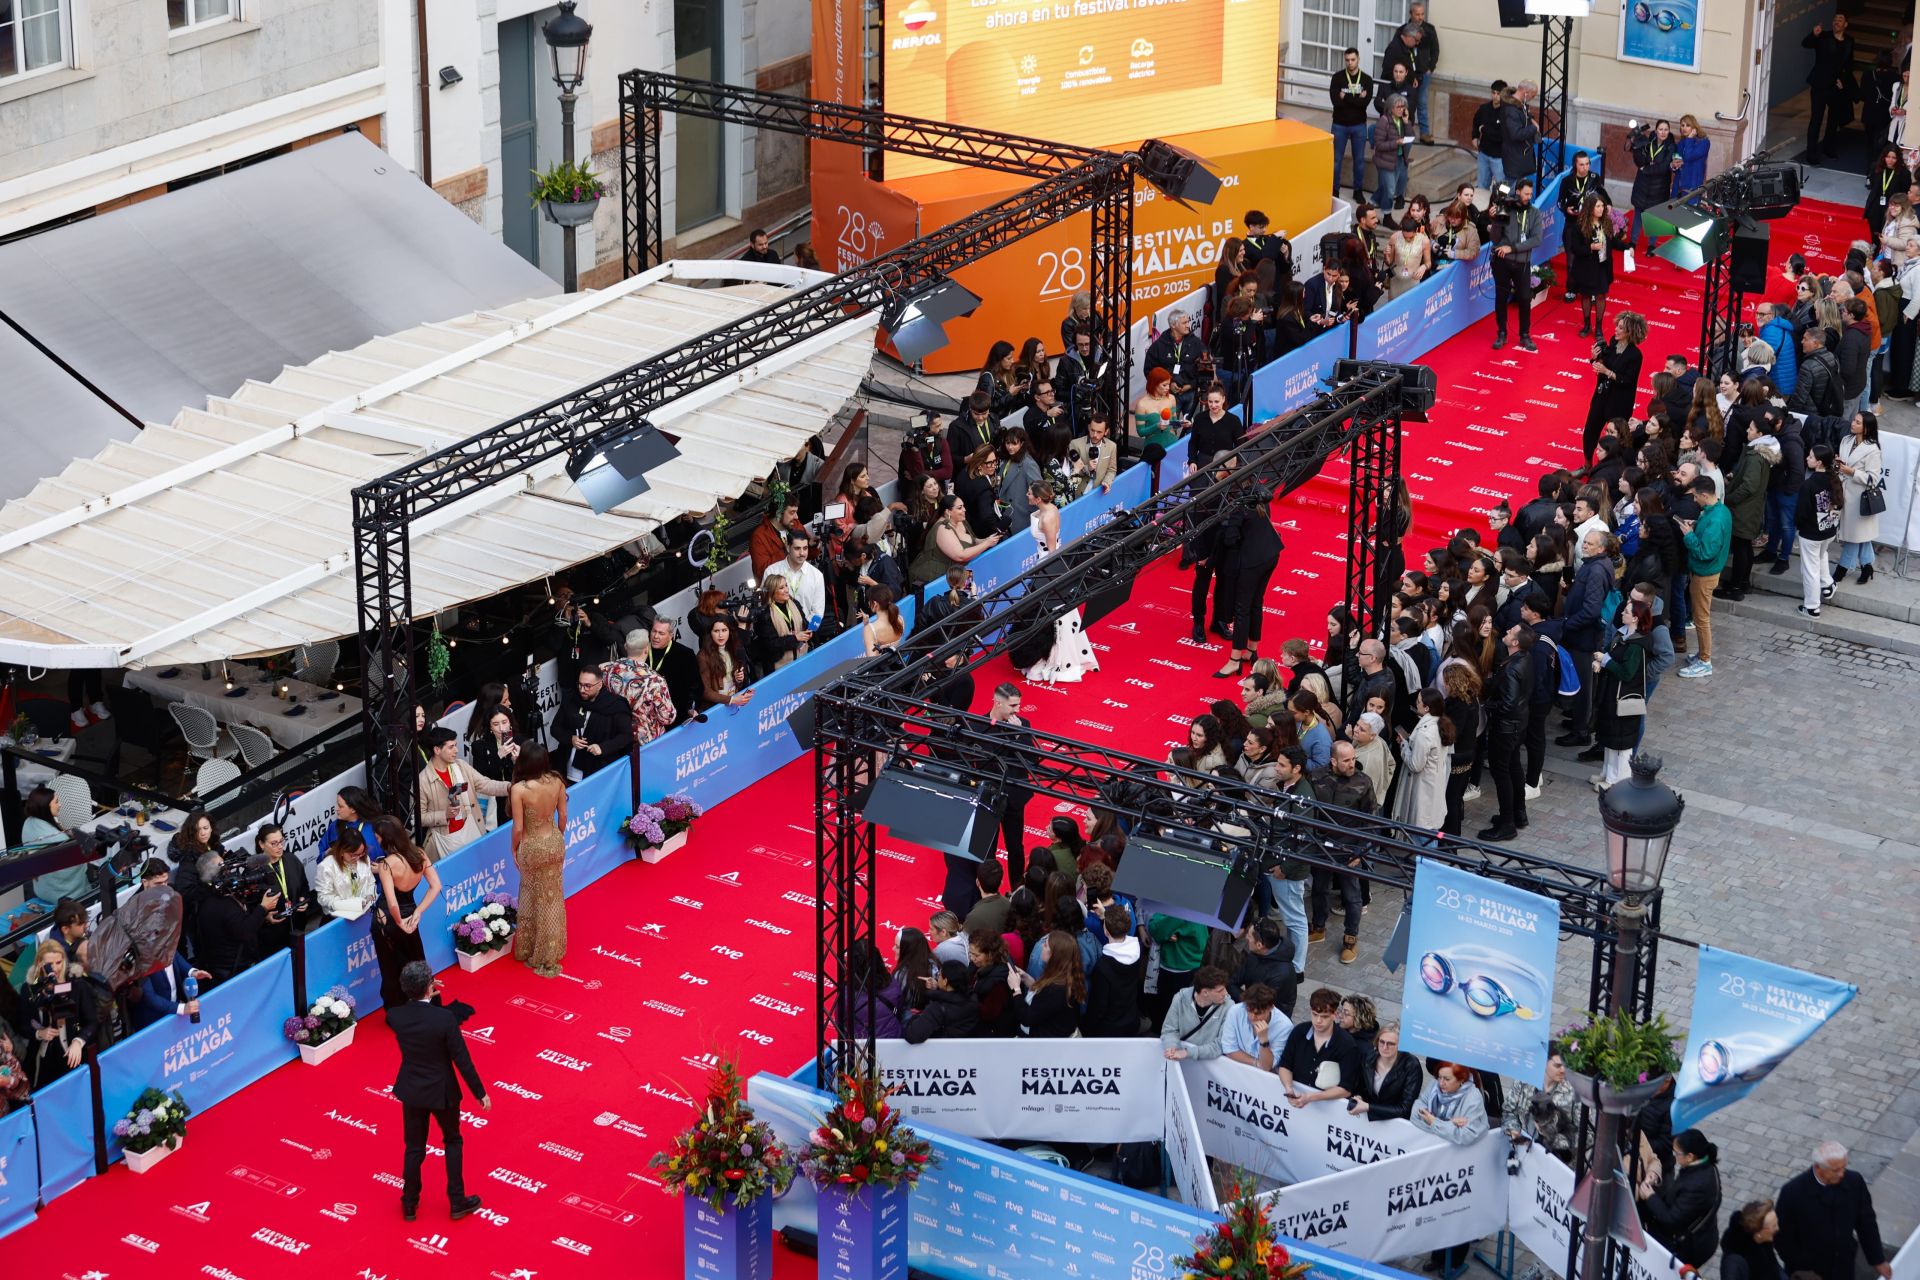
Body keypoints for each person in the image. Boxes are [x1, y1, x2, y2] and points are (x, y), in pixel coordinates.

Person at [389, 961, 488, 1222]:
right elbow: (461, 1059)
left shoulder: (395, 1017)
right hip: (442, 1093)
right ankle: (457, 1201)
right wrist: (480, 1093)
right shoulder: (444, 1018)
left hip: (412, 1090)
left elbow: (419, 1019)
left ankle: (409, 1203)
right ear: (429, 986)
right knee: (453, 1141)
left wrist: (423, 997)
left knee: (414, 1148)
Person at [1412, 1063, 1491, 1272]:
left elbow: (1466, 1136)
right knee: (1436, 1209)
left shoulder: (1473, 1098)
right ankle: (1437, 1256)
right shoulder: (1434, 1087)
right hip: (1436, 1162)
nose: (1441, 1083)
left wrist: (1434, 1122)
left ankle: (1456, 1260)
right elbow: (1414, 1113)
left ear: (1462, 1080)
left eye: (1447, 1079)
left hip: (1462, 1164)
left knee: (1457, 1211)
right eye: (1440, 1077)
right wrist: (1446, 1124)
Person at [1775, 1140, 1891, 1280]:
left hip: (1843, 1265)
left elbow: (1866, 1222)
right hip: (1809, 1272)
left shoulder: (1854, 1181)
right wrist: (1802, 1266)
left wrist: (1877, 1259)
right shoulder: (1793, 1192)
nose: (1842, 1174)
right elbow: (1782, 1238)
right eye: (1836, 1170)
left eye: (1844, 1167)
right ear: (1818, 1168)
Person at [502, 740, 568, 979]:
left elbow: (518, 828)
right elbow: (563, 815)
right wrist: (558, 837)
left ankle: (533, 950)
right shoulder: (558, 781)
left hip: (531, 848)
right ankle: (545, 949)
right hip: (554, 842)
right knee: (551, 897)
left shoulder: (519, 789)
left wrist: (513, 848)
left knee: (529, 892)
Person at [371, 818, 441, 1010]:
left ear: (386, 838)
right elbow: (436, 886)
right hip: (411, 914)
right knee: (416, 960)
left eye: (377, 837)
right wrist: (418, 912)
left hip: (388, 921)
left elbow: (392, 902)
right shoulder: (419, 854)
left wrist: (399, 922)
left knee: (390, 968)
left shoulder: (387, 864)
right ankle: (426, 1003)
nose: (377, 841)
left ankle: (397, 1011)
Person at [416, 727, 508, 861]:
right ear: (437, 750)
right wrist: (444, 815)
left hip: (471, 832)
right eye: (451, 747)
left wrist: (510, 787)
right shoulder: (423, 780)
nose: (456, 750)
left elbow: (485, 784)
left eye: (456, 745)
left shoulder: (461, 766)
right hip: (445, 843)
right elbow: (418, 817)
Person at [1478, 624, 1534, 841]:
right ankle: (1518, 813)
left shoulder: (1512, 668)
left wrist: (1487, 705)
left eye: (1511, 632)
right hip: (1519, 723)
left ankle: (1507, 822)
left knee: (1501, 772)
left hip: (1507, 726)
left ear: (1515, 643)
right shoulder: (1524, 659)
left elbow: (1508, 703)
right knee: (1513, 766)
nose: (1507, 631)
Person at [1640, 1129, 1724, 1267]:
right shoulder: (1705, 1166)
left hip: (1689, 1247)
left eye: (1677, 1153)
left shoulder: (1697, 1186)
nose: (1675, 1156)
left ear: (1690, 1156)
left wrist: (1650, 1197)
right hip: (1699, 1237)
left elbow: (1672, 1219)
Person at [1591, 599, 1653, 788]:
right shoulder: (1622, 634)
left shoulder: (1636, 645)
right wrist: (1602, 662)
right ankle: (1607, 773)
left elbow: (1627, 673)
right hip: (1612, 694)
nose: (1621, 614)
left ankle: (1617, 780)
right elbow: (1610, 653)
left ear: (1635, 618)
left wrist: (1606, 661)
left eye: (1626, 612)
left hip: (1624, 698)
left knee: (1621, 742)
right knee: (1609, 736)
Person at [1676, 476, 1730, 678]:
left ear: (1705, 495)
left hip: (1704, 574)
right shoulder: (1719, 511)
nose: (1694, 500)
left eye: (1696, 496)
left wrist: (1689, 535)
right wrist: (1696, 524)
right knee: (1701, 617)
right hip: (1707, 571)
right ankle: (1702, 654)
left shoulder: (1715, 520)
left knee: (1701, 618)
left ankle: (1705, 661)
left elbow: (1705, 552)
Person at [23, 940, 96, 1088]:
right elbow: (22, 1024)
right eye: (50, 964)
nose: (54, 969)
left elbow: (92, 1021)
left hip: (71, 1053)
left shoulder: (77, 984)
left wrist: (78, 1041)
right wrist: (39, 1033)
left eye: (59, 962)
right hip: (43, 1057)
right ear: (39, 962)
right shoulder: (30, 988)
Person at [1277, 986, 1362, 1104]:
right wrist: (1288, 1088)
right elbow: (1285, 1065)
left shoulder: (1347, 1045)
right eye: (1315, 1014)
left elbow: (1346, 1089)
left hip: (1327, 1107)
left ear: (1335, 1015)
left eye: (1324, 1016)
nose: (1318, 1021)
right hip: (1298, 1099)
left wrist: (1311, 1098)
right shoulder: (1299, 1031)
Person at [551, 665, 634, 781]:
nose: (582, 689)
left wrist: (602, 748)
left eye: (587, 686)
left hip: (597, 769)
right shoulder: (571, 699)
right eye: (579, 684)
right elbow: (555, 728)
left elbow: (626, 736)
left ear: (599, 685)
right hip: (566, 767)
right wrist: (570, 739)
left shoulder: (615, 705)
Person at [599, 629, 678, 745]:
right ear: (647, 649)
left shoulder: (606, 669)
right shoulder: (654, 681)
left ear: (626, 646)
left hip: (613, 737)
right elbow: (667, 717)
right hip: (644, 742)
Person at [1491, 175, 1542, 352]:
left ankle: (1525, 335)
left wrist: (1512, 248)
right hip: (1502, 263)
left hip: (1522, 263)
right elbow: (1495, 238)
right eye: (1526, 193)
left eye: (1531, 193)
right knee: (1501, 297)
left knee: (1525, 298)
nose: (1529, 196)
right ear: (1517, 192)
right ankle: (1502, 333)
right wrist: (1497, 218)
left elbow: (1536, 239)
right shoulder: (1507, 209)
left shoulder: (1534, 213)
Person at [1568, 194, 1629, 341]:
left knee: (1601, 296)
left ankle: (1599, 328)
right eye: (1598, 206)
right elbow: (1574, 248)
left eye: (1602, 206)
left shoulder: (1606, 223)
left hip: (1603, 266)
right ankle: (1587, 325)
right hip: (1586, 267)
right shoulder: (1579, 226)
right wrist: (1590, 247)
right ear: (1590, 208)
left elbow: (1613, 242)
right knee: (1587, 296)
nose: (1601, 209)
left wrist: (1628, 248)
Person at [1834, 410, 1884, 584]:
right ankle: (1867, 567)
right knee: (1859, 535)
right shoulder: (1846, 440)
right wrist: (1840, 464)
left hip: (1859, 499)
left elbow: (1873, 479)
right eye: (1854, 420)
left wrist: (1852, 472)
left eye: (1857, 422)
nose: (1852, 423)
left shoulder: (1873, 450)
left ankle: (1841, 569)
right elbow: (1844, 466)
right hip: (1843, 495)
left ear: (1866, 428)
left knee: (1854, 537)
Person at [1504, 1046, 1576, 1161]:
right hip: (1524, 1155)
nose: (1563, 1070)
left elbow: (1587, 1135)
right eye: (1557, 1065)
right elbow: (1508, 1111)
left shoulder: (1574, 1092)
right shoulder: (1523, 1081)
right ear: (1543, 1061)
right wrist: (1514, 1129)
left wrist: (1551, 1139)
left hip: (1555, 1162)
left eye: (1565, 1065)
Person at [1796, 445, 1845, 617]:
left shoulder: (1808, 484)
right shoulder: (1834, 479)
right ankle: (1828, 584)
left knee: (1810, 569)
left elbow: (1801, 513)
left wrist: (1799, 526)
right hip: (1828, 531)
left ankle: (1812, 606)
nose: (1806, 459)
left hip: (1811, 534)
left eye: (1810, 457)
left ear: (1818, 463)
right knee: (1821, 556)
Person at [250, 824, 312, 955]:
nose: (280, 847)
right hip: (272, 938)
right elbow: (249, 908)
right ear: (261, 844)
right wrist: (265, 917)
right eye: (274, 843)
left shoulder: (291, 859)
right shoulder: (253, 871)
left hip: (297, 927)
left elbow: (304, 886)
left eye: (281, 841)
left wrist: (304, 899)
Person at [1803, 15, 1857, 163]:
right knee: (1816, 119)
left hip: (1837, 86)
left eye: (1840, 20)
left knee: (1833, 120)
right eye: (1834, 20)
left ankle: (1829, 148)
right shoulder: (1823, 36)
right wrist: (1814, 34)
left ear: (1845, 24)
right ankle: (1811, 153)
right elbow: (1805, 44)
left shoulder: (1849, 41)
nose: (1836, 22)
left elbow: (1849, 64)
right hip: (1820, 84)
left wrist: (1844, 81)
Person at [1395, 687, 1451, 830]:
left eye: (1418, 701)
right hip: (1434, 786)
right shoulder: (1441, 725)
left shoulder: (1425, 733)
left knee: (1423, 835)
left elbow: (1415, 765)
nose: (1416, 703)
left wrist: (1403, 745)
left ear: (1426, 708)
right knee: (1432, 830)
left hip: (1424, 790)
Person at [1350, 1022, 1423, 1121]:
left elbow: (1405, 1108)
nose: (1384, 1047)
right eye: (1382, 1042)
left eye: (1391, 1044)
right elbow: (1360, 1086)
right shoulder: (1369, 1057)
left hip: (1395, 1123)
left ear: (1401, 1045)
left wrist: (1368, 1107)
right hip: (1367, 1119)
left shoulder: (1411, 1066)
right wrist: (1359, 1097)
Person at [1328, 48, 1375, 199]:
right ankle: (1334, 189)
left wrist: (1346, 97)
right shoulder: (1337, 78)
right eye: (1347, 60)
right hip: (1339, 124)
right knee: (1336, 160)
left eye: (1353, 60)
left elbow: (1364, 104)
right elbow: (1336, 102)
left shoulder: (1366, 80)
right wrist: (1356, 98)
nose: (1350, 63)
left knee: (1359, 160)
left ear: (1358, 59)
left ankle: (1358, 191)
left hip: (1359, 125)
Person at [1160, 966, 1231, 1061]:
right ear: (1205, 992)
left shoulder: (1229, 1006)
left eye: (1224, 988)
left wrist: (1188, 1053)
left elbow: (1220, 1045)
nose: (1225, 993)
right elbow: (1169, 1030)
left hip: (1208, 1062)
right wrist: (1171, 1048)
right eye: (1220, 991)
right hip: (1180, 1057)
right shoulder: (1180, 999)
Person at [902, 959, 982, 1043]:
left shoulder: (938, 1008)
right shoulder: (973, 999)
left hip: (942, 1052)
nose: (937, 978)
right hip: (969, 1050)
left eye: (939, 975)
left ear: (945, 981)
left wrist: (916, 1018)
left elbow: (912, 1036)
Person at [640, 616, 702, 719]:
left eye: (661, 633)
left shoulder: (685, 654)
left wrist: (691, 707)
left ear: (670, 636)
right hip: (647, 714)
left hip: (675, 713)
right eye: (654, 631)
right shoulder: (641, 651)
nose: (656, 636)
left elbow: (695, 686)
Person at [1630, 121, 1679, 254]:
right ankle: (1632, 242)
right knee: (1638, 214)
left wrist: (1645, 169)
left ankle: (1651, 245)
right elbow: (1639, 161)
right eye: (1660, 129)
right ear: (1656, 130)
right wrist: (1636, 147)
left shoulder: (1671, 146)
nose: (1663, 132)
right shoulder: (1648, 141)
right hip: (1642, 184)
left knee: (1654, 216)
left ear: (1669, 131)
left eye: (1666, 129)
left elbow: (1664, 167)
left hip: (1660, 187)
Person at [314, 823, 378, 921]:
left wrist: (369, 895)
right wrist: (351, 905)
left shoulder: (364, 859)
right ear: (342, 850)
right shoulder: (326, 866)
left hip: (363, 913)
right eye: (353, 855)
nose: (357, 858)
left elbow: (371, 882)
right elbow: (324, 898)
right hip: (338, 918)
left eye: (361, 853)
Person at [695, 619, 755, 711]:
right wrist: (732, 700)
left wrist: (738, 680)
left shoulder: (733, 648)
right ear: (710, 633)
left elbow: (734, 683)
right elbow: (705, 691)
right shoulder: (703, 656)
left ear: (729, 631)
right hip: (715, 708)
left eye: (724, 630)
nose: (720, 635)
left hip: (733, 703)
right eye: (716, 631)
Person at [1372, 94, 1417, 215]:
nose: (1401, 109)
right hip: (1386, 160)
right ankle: (1386, 214)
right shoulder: (1384, 121)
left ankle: (1373, 201)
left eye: (1403, 107)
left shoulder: (1402, 121)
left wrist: (1407, 123)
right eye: (1398, 107)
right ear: (1391, 108)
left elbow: (1411, 137)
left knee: (1387, 187)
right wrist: (1395, 143)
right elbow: (1379, 145)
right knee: (1391, 190)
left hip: (1399, 159)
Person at [1723, 1203, 1787, 1280]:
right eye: (1774, 1226)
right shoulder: (1734, 1264)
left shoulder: (1763, 1239)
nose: (1778, 1228)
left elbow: (1773, 1266)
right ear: (1759, 1234)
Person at [1497, 81, 1540, 181]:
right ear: (1526, 92)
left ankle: (1504, 195)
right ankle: (1501, 196)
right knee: (1508, 184)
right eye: (1532, 96)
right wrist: (1534, 128)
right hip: (1514, 156)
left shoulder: (1519, 105)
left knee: (1512, 184)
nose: (1532, 98)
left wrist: (1531, 120)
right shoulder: (1511, 110)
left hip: (1517, 155)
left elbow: (1524, 118)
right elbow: (1515, 134)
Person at [1471, 80, 1508, 193]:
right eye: (1493, 93)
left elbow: (1499, 136)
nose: (1495, 96)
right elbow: (1476, 121)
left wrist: (1482, 129)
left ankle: (1503, 208)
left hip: (1499, 157)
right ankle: (1482, 208)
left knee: (1503, 188)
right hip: (1484, 154)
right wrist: (1475, 136)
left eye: (1498, 94)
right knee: (1482, 185)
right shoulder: (1484, 108)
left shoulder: (1507, 112)